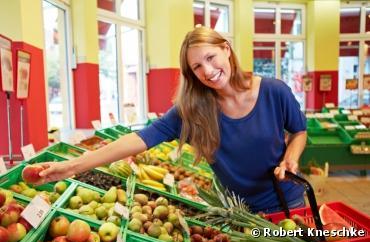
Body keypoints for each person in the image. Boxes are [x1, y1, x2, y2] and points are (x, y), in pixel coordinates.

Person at [37, 26, 307, 213]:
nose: (208, 71)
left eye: (211, 58)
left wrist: (290, 158)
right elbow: (139, 139)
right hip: (239, 212)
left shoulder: (273, 91)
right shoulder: (193, 111)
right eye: (197, 67)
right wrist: (72, 167)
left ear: (226, 49)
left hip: (288, 201)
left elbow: (298, 131)